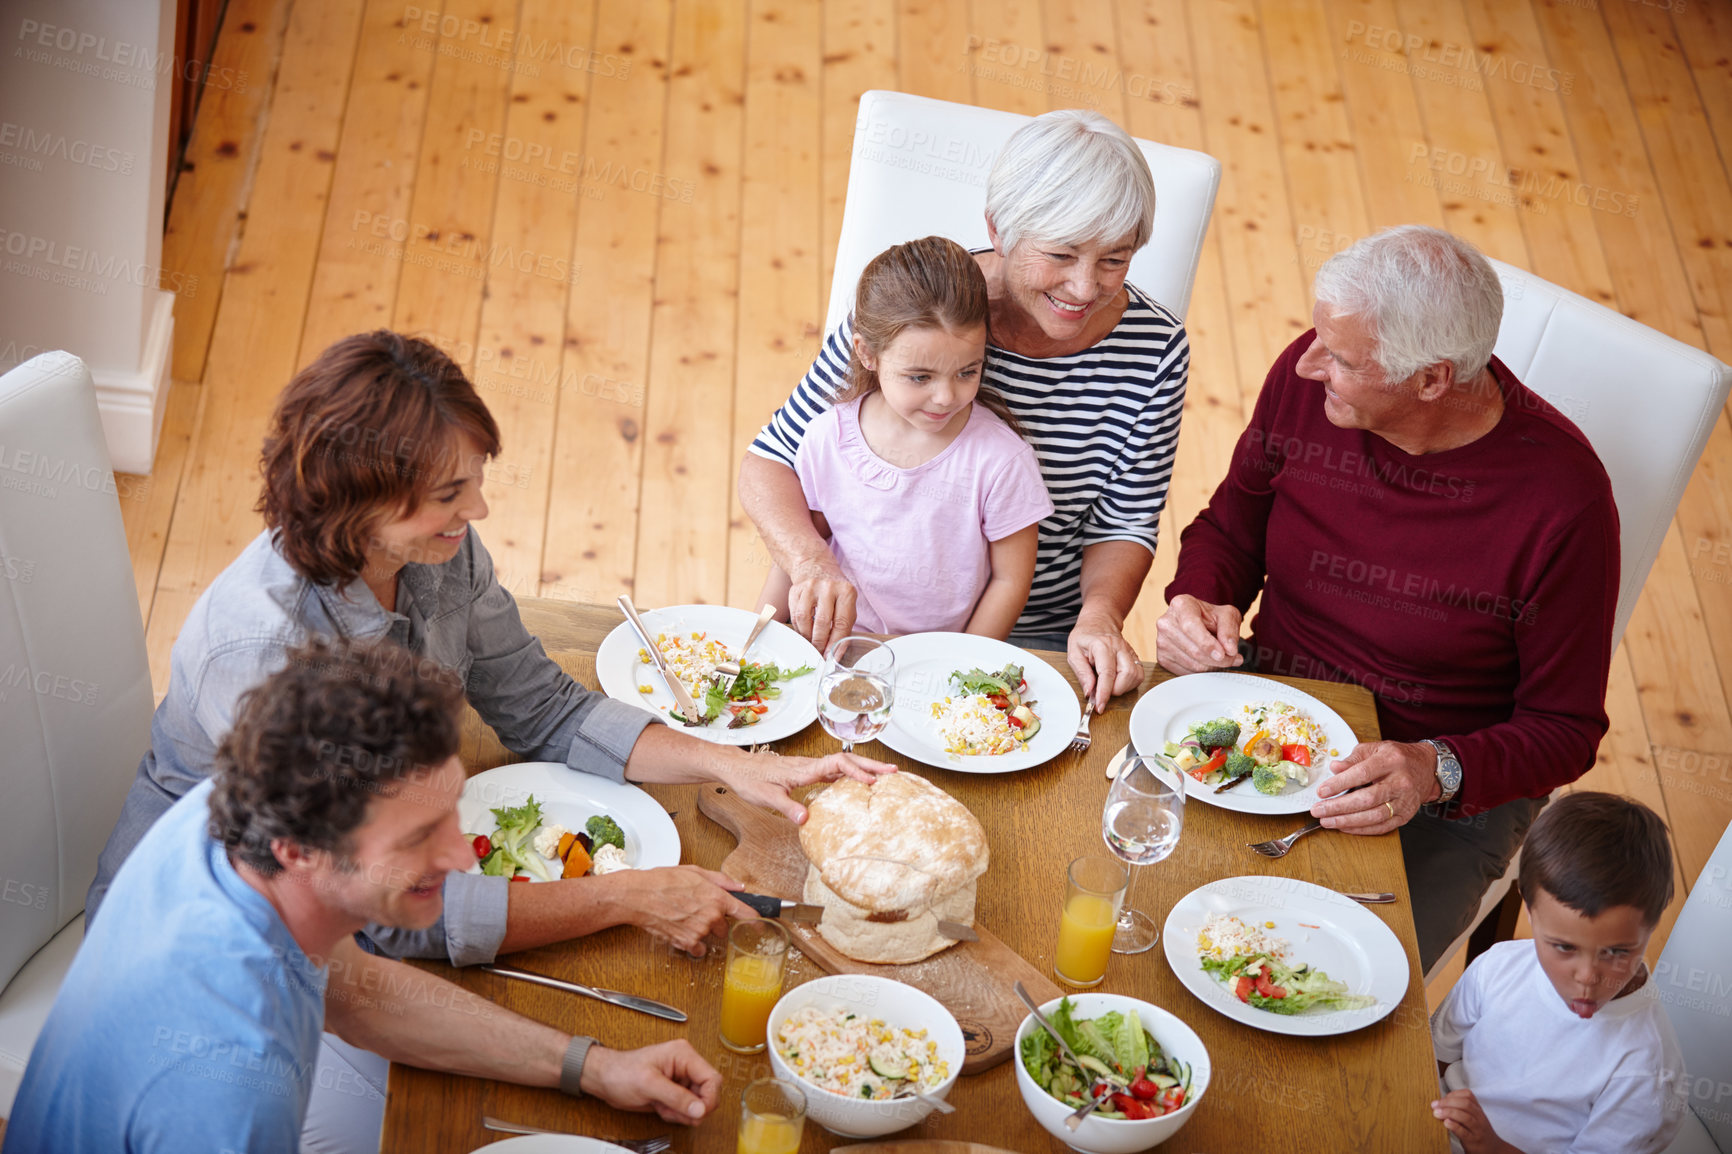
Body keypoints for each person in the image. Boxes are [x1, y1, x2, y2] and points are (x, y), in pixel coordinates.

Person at [2, 640, 725, 1153]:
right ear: (299, 847)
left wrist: (597, 1068)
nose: (458, 855)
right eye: (417, 837)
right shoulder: (234, 1080)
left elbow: (356, 990)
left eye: (450, 813)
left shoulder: (226, 825)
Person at [1157, 226, 1618, 971]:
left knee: (1321, 983)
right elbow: (1229, 530)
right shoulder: (1308, 387)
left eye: (1340, 358)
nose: (1307, 365)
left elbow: (1565, 727)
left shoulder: (1564, 503)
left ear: (1432, 380)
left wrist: (1432, 768)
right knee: (1145, 891)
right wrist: (1198, 599)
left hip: (1431, 792)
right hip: (1261, 709)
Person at [741, 109, 1188, 709]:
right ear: (999, 229)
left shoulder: (1156, 348)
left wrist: (1101, 618)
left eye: (1115, 259)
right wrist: (811, 565)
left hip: (1037, 634)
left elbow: (1124, 522)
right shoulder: (922, 312)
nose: (1085, 288)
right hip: (865, 624)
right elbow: (774, 462)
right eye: (1060, 255)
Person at [760, 236, 1053, 637]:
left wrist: (963, 664)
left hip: (937, 662)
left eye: (968, 371)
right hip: (832, 646)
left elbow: (1010, 581)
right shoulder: (828, 437)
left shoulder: (1000, 459)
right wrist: (759, 636)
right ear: (867, 353)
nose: (947, 396)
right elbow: (801, 548)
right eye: (920, 377)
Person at [1429, 792, 1686, 1153]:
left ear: (1651, 927)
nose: (1587, 976)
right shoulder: (1499, 966)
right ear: (1530, 912)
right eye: (1565, 947)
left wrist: (1491, 1146)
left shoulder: (1645, 1072)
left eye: (1616, 952)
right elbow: (1435, 1055)